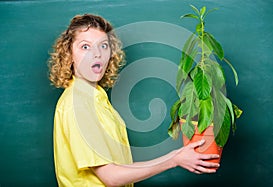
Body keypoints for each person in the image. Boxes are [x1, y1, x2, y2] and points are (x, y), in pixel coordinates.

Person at [48, 14, 219, 187]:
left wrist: (177, 156)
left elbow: (121, 168)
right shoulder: (79, 105)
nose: (97, 54)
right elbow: (111, 177)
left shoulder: (95, 96)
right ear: (68, 53)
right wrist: (173, 161)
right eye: (85, 46)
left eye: (104, 46)